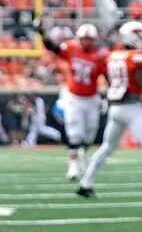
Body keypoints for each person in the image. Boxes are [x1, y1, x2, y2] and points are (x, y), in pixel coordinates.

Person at [78, 21, 142, 199]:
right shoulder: (136, 57)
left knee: (107, 147)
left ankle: (85, 183)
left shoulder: (113, 55)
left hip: (115, 107)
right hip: (131, 106)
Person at [35, 21, 107, 181]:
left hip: (92, 98)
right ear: (79, 38)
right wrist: (42, 34)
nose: (87, 42)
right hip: (74, 97)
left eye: (90, 39)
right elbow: (53, 48)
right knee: (74, 133)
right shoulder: (71, 48)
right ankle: (73, 166)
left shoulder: (101, 55)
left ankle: (82, 154)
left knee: (89, 135)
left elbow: (107, 75)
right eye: (84, 38)